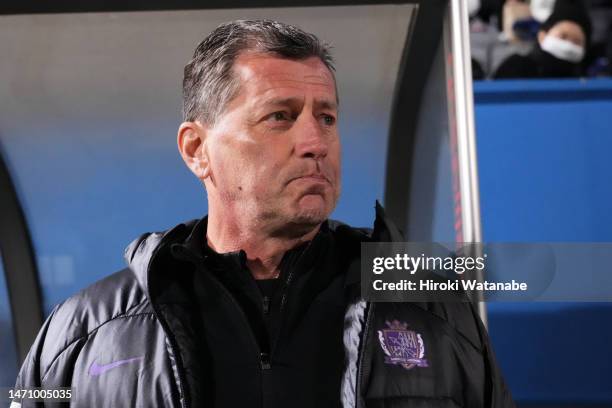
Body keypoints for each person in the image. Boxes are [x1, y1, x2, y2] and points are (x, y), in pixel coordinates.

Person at [12, 20, 515, 408]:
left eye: (327, 117)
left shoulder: (434, 308)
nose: (315, 143)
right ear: (196, 149)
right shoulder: (80, 332)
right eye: (280, 116)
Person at [494, 0, 592, 78]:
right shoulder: (515, 67)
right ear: (542, 35)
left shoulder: (588, 79)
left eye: (577, 41)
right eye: (563, 36)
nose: (569, 44)